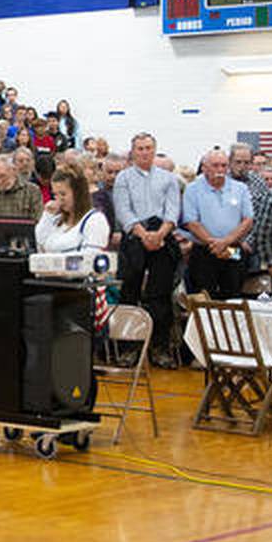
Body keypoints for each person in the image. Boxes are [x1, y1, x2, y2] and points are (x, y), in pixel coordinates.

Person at [111, 133, 181, 367]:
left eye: (148, 148)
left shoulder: (169, 179)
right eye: (140, 148)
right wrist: (144, 235)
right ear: (133, 152)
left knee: (160, 295)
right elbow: (123, 210)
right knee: (129, 294)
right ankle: (129, 349)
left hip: (162, 237)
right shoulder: (123, 178)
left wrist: (159, 235)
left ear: (154, 149)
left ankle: (160, 349)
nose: (144, 152)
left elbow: (173, 211)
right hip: (134, 237)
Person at [181, 149, 254, 299]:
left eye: (224, 165)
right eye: (215, 165)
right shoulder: (192, 189)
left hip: (233, 250)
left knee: (233, 294)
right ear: (204, 168)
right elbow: (191, 222)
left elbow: (248, 220)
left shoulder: (240, 188)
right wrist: (214, 244)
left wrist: (226, 242)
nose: (220, 170)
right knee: (204, 297)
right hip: (204, 250)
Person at [36, 162, 110, 253]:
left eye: (63, 194)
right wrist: (47, 216)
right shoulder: (55, 219)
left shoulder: (95, 220)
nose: (59, 199)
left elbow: (90, 256)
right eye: (55, 194)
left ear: (78, 193)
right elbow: (40, 243)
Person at [0, 153, 43, 222]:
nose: (0, 181)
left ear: (14, 171)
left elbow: (38, 220)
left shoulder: (32, 191)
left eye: (2, 176)